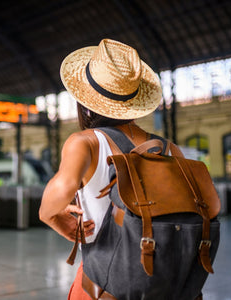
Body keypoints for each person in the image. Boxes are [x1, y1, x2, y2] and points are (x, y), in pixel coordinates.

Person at [39, 38, 163, 299]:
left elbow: (57, 195)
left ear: (84, 100)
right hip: (163, 283)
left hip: (104, 282)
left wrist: (53, 217)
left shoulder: (86, 142)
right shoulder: (166, 148)